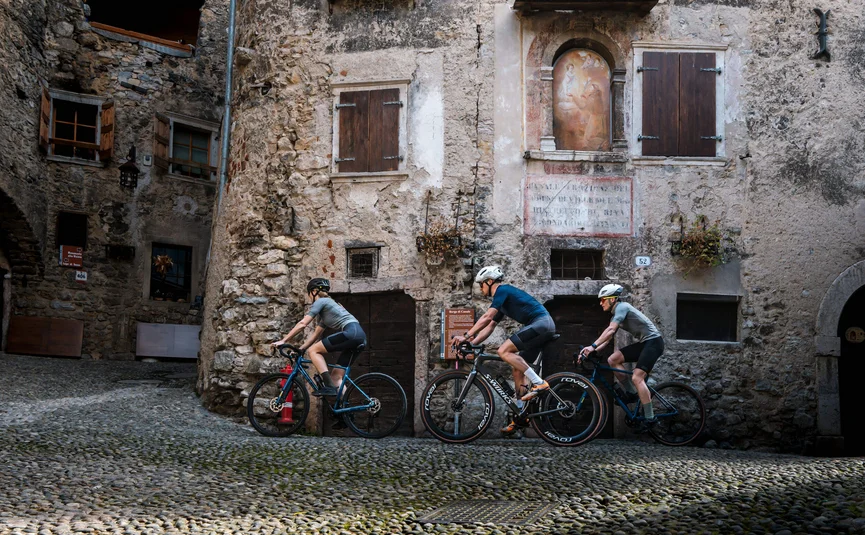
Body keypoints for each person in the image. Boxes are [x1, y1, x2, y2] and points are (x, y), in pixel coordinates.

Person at [451, 265, 556, 435]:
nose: (481, 288)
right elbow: (491, 325)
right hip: (541, 327)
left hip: (541, 323)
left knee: (504, 351)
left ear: (490, 282)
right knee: (517, 369)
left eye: (482, 284)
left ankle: (539, 383)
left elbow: (487, 317)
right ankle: (521, 415)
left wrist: (466, 335)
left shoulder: (502, 290)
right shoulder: (503, 301)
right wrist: (472, 343)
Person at [578, 284, 664, 425]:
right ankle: (631, 393)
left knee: (637, 377)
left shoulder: (622, 307)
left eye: (603, 300)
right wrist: (592, 351)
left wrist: (592, 346)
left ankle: (650, 417)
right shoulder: (616, 313)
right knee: (613, 359)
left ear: (612, 299)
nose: (600, 303)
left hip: (654, 343)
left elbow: (611, 330)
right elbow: (608, 338)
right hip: (645, 343)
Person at [272, 278, 366, 397]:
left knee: (314, 351)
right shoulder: (329, 308)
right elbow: (315, 335)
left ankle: (329, 386)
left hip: (351, 333)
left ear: (313, 291)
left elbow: (303, 324)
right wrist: (301, 349)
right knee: (336, 377)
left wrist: (284, 340)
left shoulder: (321, 301)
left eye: (309, 294)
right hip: (359, 336)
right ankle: (345, 411)